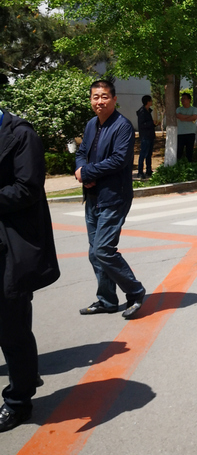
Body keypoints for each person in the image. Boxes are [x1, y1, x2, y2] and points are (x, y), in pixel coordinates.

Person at [0, 107, 60, 432]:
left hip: (13, 243)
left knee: (11, 326)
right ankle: (27, 371)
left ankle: (18, 402)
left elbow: (28, 188)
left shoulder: (22, 134)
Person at [76, 80, 146, 319]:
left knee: (103, 249)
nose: (100, 101)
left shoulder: (122, 126)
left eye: (104, 96)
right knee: (95, 253)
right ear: (90, 100)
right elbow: (82, 152)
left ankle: (135, 291)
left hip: (114, 196)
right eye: (95, 97)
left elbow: (119, 160)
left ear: (114, 99)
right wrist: (82, 171)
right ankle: (107, 300)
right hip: (93, 196)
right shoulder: (91, 125)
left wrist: (88, 173)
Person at [136, 95, 156, 179]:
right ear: (148, 102)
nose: (152, 102)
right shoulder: (142, 112)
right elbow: (142, 125)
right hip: (145, 135)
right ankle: (140, 172)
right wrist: (152, 123)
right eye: (151, 101)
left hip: (150, 135)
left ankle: (148, 170)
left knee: (149, 154)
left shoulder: (148, 111)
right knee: (143, 153)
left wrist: (154, 124)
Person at [176, 92, 197, 162]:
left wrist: (183, 118)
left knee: (189, 151)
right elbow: (178, 116)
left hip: (191, 133)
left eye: (184, 98)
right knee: (179, 151)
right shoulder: (179, 109)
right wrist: (189, 117)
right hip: (180, 133)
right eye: (181, 98)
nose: (182, 100)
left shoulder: (194, 109)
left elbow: (194, 117)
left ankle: (189, 164)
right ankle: (179, 164)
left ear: (189, 100)